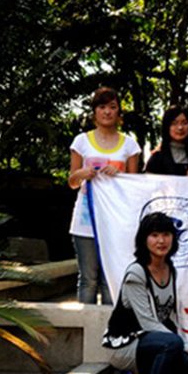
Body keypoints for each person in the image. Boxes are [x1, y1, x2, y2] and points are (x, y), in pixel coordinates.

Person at [102, 212, 188, 374]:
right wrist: (186, 344)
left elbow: (169, 316)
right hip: (124, 344)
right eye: (154, 235)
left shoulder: (169, 268)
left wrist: (187, 347)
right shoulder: (136, 273)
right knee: (173, 345)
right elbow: (148, 321)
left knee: (187, 363)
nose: (161, 241)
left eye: (166, 234)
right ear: (144, 239)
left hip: (149, 343)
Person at [68, 87, 140, 304]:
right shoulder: (81, 141)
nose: (107, 112)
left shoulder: (130, 145)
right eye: (102, 107)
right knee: (88, 280)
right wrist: (82, 173)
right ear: (94, 112)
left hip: (116, 222)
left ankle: (111, 325)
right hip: (85, 221)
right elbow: (72, 182)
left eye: (112, 107)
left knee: (111, 278)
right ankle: (85, 325)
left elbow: (135, 187)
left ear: (119, 112)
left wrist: (120, 175)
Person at [145, 106, 188, 176]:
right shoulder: (157, 157)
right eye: (174, 123)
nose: (180, 127)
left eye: (184, 123)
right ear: (167, 127)